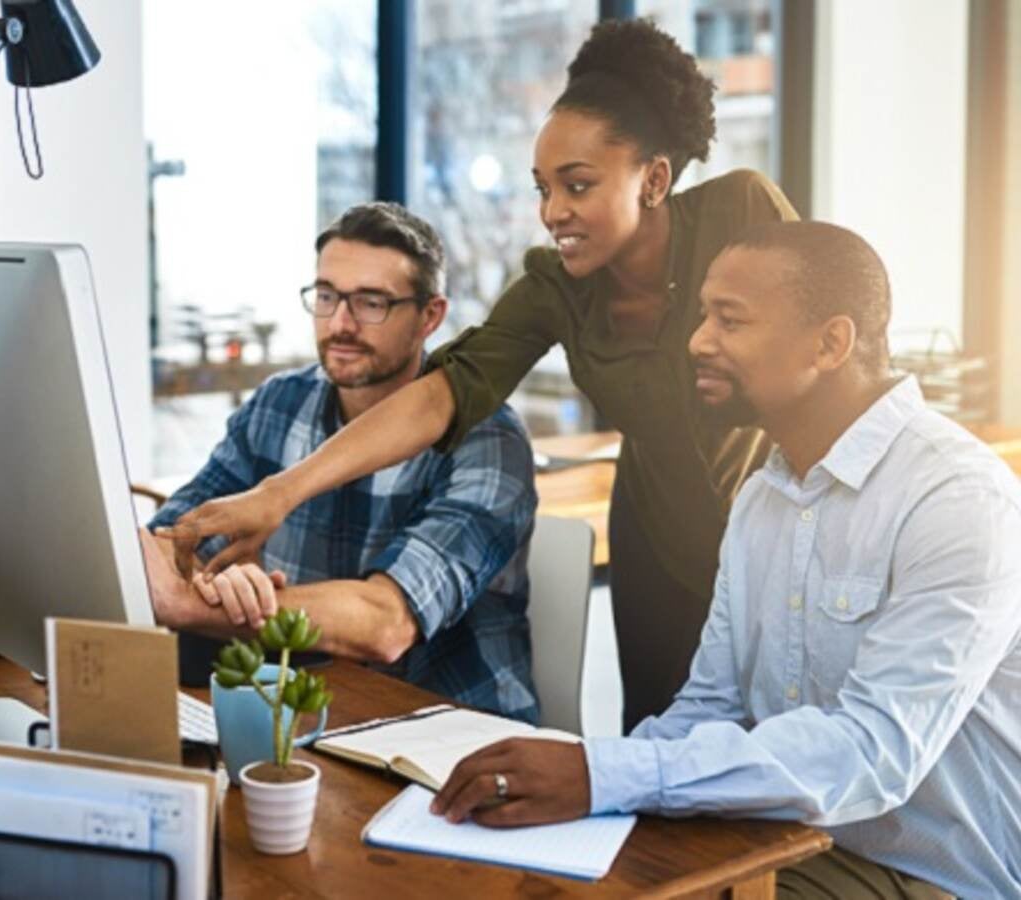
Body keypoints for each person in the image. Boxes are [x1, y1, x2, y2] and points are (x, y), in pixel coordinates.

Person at [157, 19, 798, 732]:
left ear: (653, 179)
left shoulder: (740, 212)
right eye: (543, 188)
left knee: (794, 723)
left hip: (777, 515)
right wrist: (279, 495)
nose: (554, 212)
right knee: (669, 737)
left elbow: (820, 345)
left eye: (577, 185)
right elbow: (444, 393)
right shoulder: (555, 287)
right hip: (658, 528)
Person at [432, 221, 1021, 899]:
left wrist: (604, 776)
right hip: (779, 839)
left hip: (933, 875)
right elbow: (711, 706)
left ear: (831, 343)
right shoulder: (761, 499)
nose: (697, 341)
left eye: (728, 320)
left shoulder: (957, 500)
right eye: (703, 314)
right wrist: (597, 774)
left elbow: (872, 752)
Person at [142, 202, 540, 722]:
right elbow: (174, 544)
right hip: (317, 713)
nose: (340, 323)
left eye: (371, 303)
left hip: (453, 732)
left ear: (430, 316)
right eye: (326, 296)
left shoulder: (488, 440)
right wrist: (221, 583)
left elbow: (387, 625)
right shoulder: (280, 402)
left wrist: (196, 605)